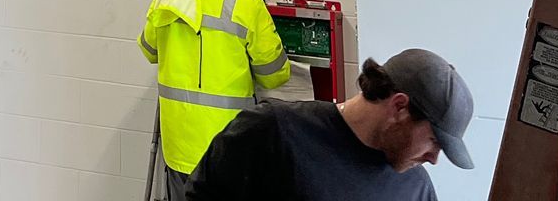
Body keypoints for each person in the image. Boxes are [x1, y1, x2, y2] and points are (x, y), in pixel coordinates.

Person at [185, 48, 476, 200]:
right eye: (434, 141)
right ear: (399, 106)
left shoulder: (416, 189)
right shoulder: (272, 133)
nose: (433, 159)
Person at [141, 0, 291, 199]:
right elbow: (274, 76)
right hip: (229, 146)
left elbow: (149, 50)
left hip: (178, 147)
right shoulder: (247, 6)